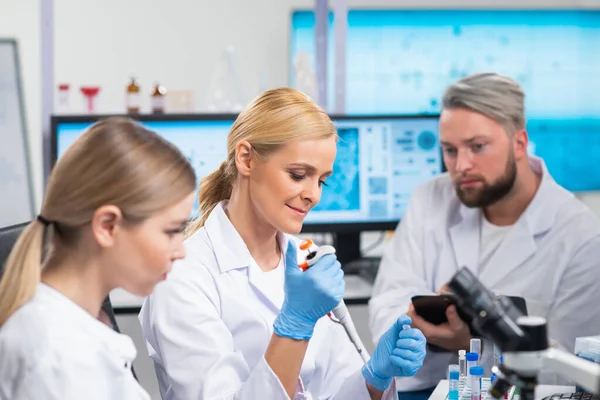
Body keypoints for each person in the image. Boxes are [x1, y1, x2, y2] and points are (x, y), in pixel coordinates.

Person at [138, 88, 427, 400]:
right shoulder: (183, 275)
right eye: (298, 174)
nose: (313, 195)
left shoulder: (307, 260)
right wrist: (294, 326)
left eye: (322, 180)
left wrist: (374, 378)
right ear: (246, 158)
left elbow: (333, 391)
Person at [369, 72, 600, 400]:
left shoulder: (581, 237)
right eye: (449, 150)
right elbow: (386, 306)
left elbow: (574, 372)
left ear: (519, 143)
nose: (461, 165)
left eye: (477, 147)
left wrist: (471, 345)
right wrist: (421, 331)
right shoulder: (428, 198)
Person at [0, 117, 197, 399]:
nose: (181, 251)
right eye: (171, 231)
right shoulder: (54, 352)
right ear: (107, 226)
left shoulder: (77, 325)